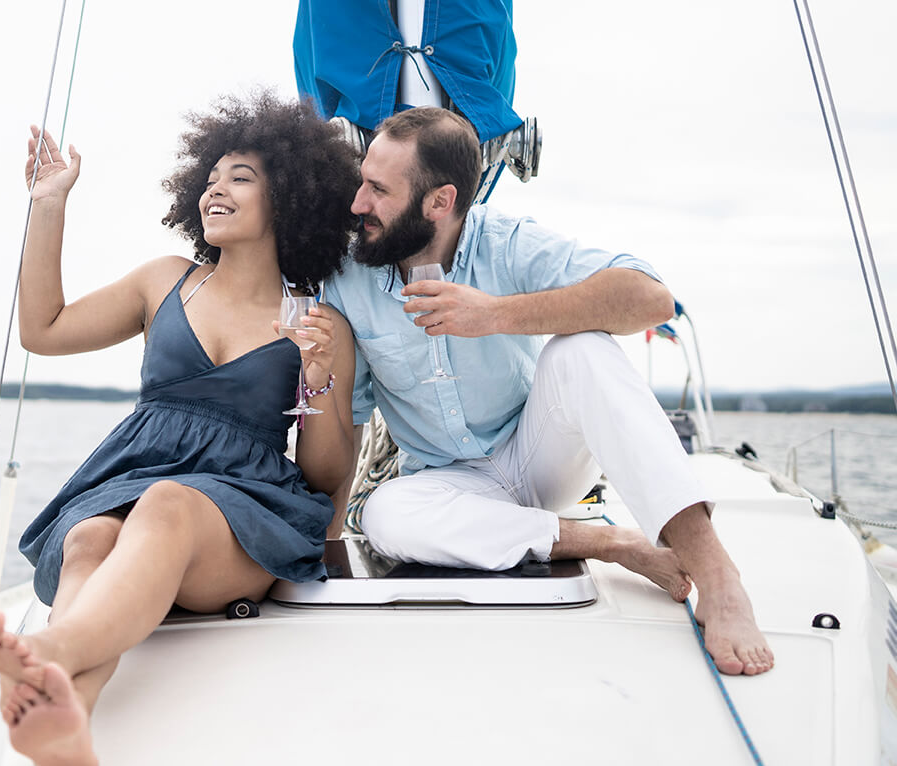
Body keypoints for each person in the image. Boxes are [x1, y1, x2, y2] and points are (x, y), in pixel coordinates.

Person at [320, 105, 774, 676]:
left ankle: (718, 575)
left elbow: (649, 298)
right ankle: (611, 544)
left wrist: (497, 314)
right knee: (386, 514)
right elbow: (349, 419)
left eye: (378, 189)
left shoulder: (505, 242)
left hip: (539, 455)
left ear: (440, 202)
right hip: (447, 480)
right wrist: (329, 550)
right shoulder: (346, 276)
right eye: (363, 182)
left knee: (582, 351)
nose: (359, 203)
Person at [0, 92, 361, 765]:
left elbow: (329, 475)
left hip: (243, 524)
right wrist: (49, 205)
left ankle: (51, 651)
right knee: (93, 534)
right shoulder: (163, 282)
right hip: (130, 489)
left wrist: (319, 374)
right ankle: (69, 719)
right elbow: (43, 330)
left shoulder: (317, 323)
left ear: (290, 200)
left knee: (169, 503)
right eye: (210, 179)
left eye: (240, 178)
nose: (216, 189)